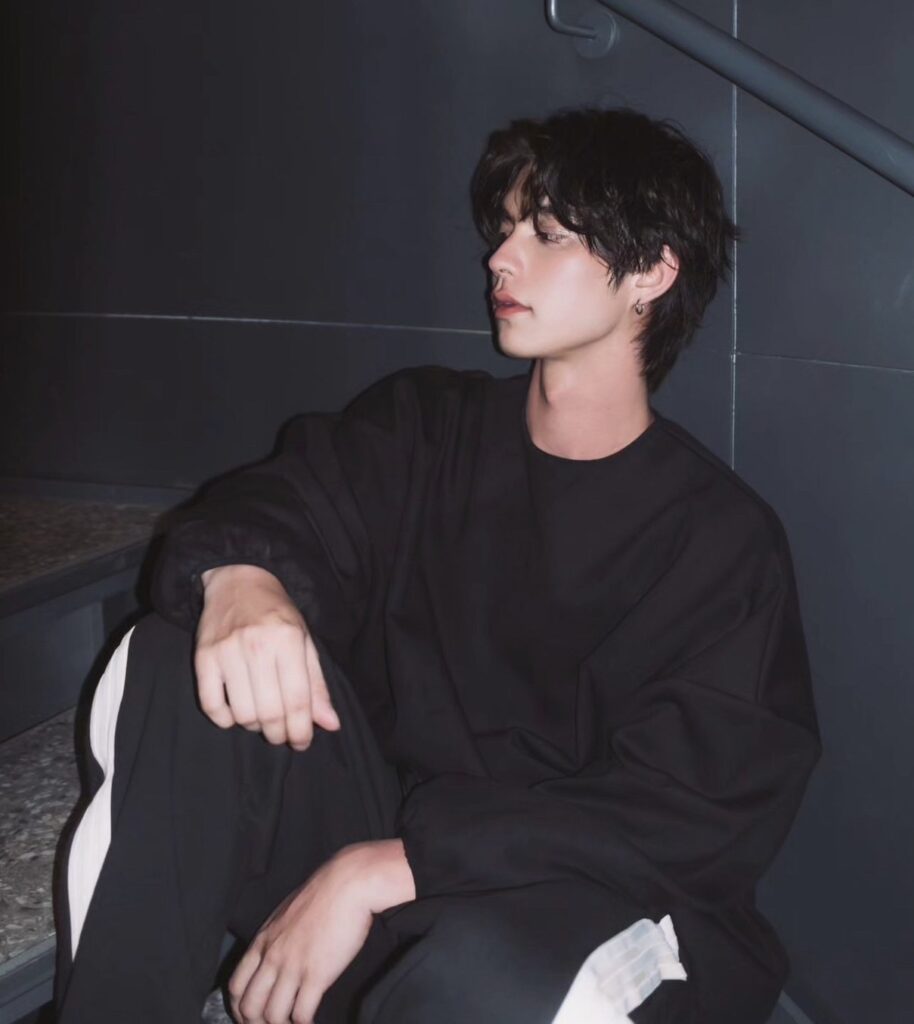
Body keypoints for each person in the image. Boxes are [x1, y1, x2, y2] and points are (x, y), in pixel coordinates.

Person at [54, 106, 821, 1024]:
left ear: (653, 273)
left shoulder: (720, 541)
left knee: (489, 971)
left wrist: (388, 867)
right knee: (183, 656)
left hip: (585, 910)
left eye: (547, 235)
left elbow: (683, 818)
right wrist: (243, 579)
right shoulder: (427, 429)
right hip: (388, 870)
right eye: (505, 229)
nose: (501, 258)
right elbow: (284, 506)